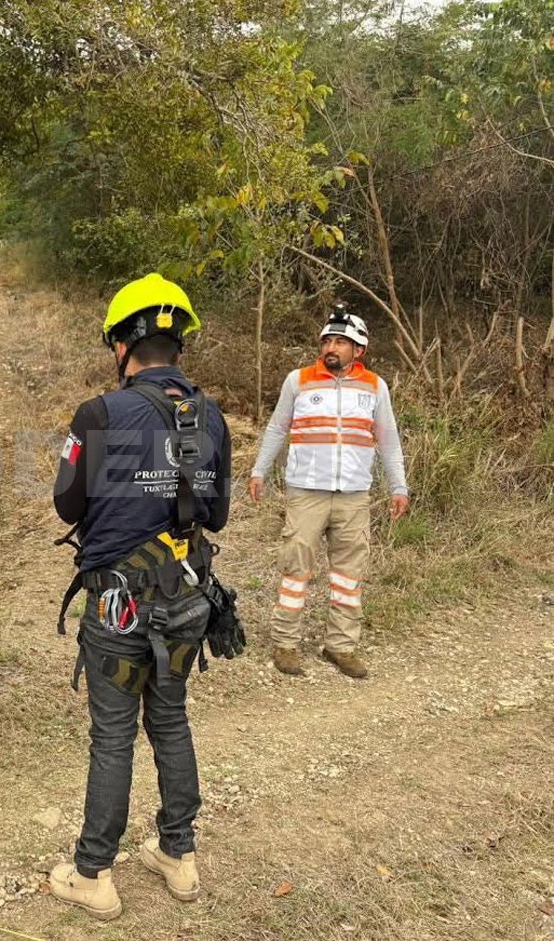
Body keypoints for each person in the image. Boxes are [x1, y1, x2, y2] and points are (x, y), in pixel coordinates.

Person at [48, 274, 232, 918]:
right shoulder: (211, 415)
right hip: (185, 598)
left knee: (114, 735)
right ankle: (179, 855)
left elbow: (66, 503)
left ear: (123, 345)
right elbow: (216, 515)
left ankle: (93, 873)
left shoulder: (98, 414)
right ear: (178, 343)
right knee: (171, 719)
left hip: (118, 606)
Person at [248, 302, 409, 679]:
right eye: (326, 341)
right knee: (295, 568)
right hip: (306, 492)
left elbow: (388, 439)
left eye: (340, 342)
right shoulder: (299, 380)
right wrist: (259, 471)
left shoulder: (375, 387)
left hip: (354, 495)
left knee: (349, 574)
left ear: (359, 350)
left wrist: (399, 486)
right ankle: (285, 643)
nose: (330, 348)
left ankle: (341, 646)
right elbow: (277, 428)